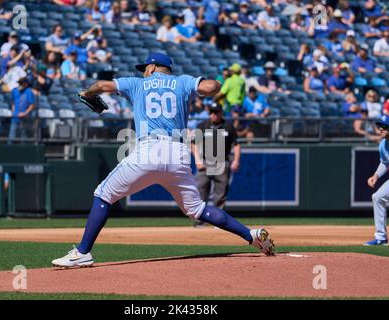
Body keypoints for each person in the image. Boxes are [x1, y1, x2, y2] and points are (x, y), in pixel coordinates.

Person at [51, 52, 275, 267]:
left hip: (149, 151)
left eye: (144, 68)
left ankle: (82, 253)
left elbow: (100, 86)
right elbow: (211, 87)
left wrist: (87, 94)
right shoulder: (182, 82)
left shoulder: (136, 84)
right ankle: (251, 235)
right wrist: (217, 83)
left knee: (104, 194)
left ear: (151, 67)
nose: (143, 72)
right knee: (196, 209)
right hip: (177, 153)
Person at [192, 102, 240, 227]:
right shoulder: (203, 125)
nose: (213, 115)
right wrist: (197, 160)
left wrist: (236, 160)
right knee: (201, 192)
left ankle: (219, 222)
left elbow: (236, 144)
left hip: (222, 162)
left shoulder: (228, 126)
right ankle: (200, 222)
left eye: (216, 112)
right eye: (211, 112)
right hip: (205, 162)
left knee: (220, 195)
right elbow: (193, 143)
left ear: (220, 113)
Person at [365, 115, 389, 245]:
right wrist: (376, 175)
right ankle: (381, 237)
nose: (381, 129)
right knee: (377, 197)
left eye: (384, 126)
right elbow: (385, 162)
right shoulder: (383, 145)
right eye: (380, 126)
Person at [9, 77, 35, 142]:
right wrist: (14, 112)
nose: (20, 85)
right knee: (12, 136)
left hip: (24, 118)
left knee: (23, 136)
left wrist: (25, 113)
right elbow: (12, 103)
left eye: (22, 83)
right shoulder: (15, 91)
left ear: (25, 84)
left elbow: (32, 105)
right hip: (15, 117)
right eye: (19, 83)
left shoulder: (29, 92)